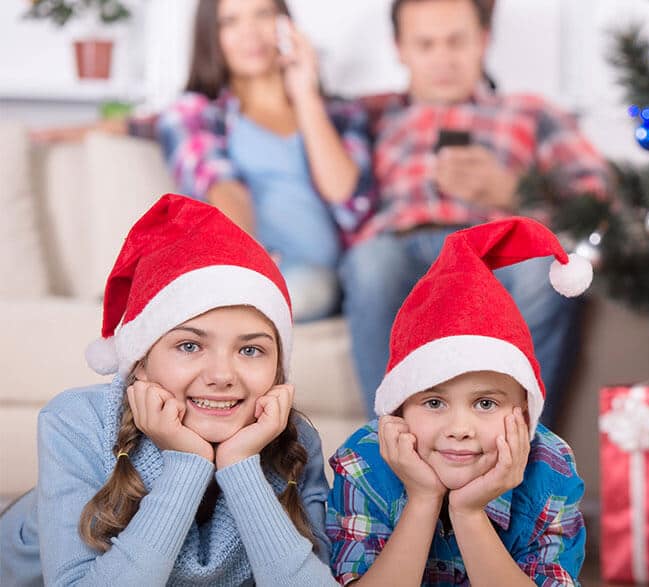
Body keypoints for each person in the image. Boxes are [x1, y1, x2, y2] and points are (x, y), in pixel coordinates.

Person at [0, 194, 338, 586]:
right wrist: (187, 464)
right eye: (189, 346)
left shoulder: (292, 437)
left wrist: (241, 466)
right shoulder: (76, 421)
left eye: (250, 350)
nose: (221, 375)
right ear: (139, 363)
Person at [340, 0, 611, 422]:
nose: (442, 59)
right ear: (400, 48)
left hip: (494, 250)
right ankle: (388, 449)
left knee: (546, 271)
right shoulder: (368, 114)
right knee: (369, 263)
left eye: (456, 41)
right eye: (425, 44)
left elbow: (595, 193)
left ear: (483, 40)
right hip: (400, 246)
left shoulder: (530, 112)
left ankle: (523, 449)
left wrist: (513, 191)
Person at [327, 217, 590, 585]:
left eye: (485, 404)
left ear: (525, 412)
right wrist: (422, 500)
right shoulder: (364, 460)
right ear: (398, 409)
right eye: (434, 403)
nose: (459, 430)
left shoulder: (550, 467)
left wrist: (469, 513)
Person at [157, 0, 374, 322]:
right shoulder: (195, 113)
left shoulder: (342, 115)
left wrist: (304, 94)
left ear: (286, 24)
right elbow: (221, 188)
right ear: (211, 36)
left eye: (263, 14)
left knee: (303, 289)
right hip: (249, 267)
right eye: (230, 22)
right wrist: (252, 264)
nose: (250, 33)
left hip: (326, 280)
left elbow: (343, 192)